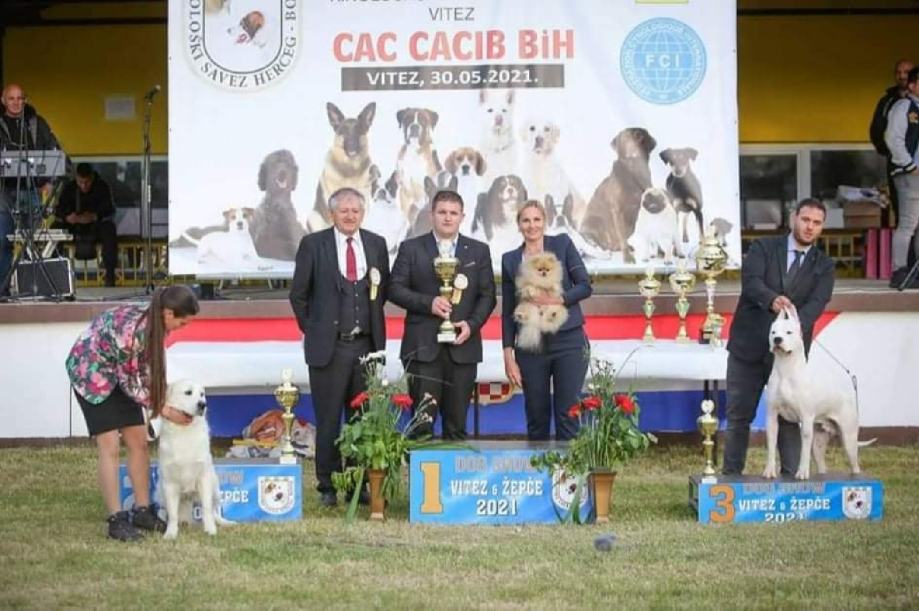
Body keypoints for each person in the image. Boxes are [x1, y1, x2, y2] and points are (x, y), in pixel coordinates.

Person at [65, 285, 199, 541]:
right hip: (91, 373)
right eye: (182, 322)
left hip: (118, 372)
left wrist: (161, 403)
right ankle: (116, 519)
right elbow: (132, 384)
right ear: (168, 313)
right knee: (110, 446)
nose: (182, 327)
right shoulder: (132, 333)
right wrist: (165, 410)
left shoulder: (155, 325)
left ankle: (142, 510)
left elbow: (144, 374)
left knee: (138, 441)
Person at [288, 187, 390, 507]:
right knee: (329, 419)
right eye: (343, 211)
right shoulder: (313, 244)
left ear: (363, 213)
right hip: (329, 349)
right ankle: (328, 486)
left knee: (363, 419)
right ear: (332, 213)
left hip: (366, 347)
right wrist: (315, 330)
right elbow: (298, 295)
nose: (350, 216)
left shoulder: (376, 244)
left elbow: (382, 291)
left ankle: (359, 484)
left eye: (355, 211)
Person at [722, 198, 835, 476]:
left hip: (790, 357)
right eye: (805, 219)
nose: (810, 227)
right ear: (794, 217)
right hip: (748, 347)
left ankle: (791, 481)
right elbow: (751, 283)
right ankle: (731, 478)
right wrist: (772, 299)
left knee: (790, 419)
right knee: (738, 416)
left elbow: (818, 303)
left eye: (817, 223)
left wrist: (792, 324)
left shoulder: (824, 265)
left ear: (822, 227)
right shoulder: (763, 247)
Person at [389, 190, 496, 440]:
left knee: (456, 427)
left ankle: (454, 468)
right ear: (432, 215)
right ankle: (423, 467)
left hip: (463, 347)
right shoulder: (411, 248)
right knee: (421, 425)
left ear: (462, 217)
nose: (448, 218)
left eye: (453, 213)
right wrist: (429, 303)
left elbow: (487, 296)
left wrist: (471, 324)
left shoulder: (478, 250)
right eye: (442, 212)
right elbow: (394, 289)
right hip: (422, 349)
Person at [501, 200, 592, 440]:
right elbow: (508, 311)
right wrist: (508, 355)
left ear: (544, 221)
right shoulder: (510, 259)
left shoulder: (562, 244)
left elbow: (585, 285)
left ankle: (569, 465)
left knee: (567, 415)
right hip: (531, 346)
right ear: (519, 225)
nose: (532, 225)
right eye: (526, 220)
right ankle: (538, 464)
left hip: (569, 343)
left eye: (537, 219)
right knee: (536, 417)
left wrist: (557, 300)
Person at [0, 83, 64, 295]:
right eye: (11, 98)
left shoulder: (36, 123)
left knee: (33, 241)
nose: (16, 102)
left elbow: (54, 151)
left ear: (25, 100)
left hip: (32, 190)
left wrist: (50, 181)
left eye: (20, 98)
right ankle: (2, 289)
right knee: (3, 241)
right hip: (4, 193)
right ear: (3, 101)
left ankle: (32, 287)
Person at [53, 162, 119, 286]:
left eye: (87, 182)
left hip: (95, 226)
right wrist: (67, 217)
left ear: (92, 178)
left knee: (109, 229)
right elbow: (58, 209)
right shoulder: (69, 188)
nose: (84, 186)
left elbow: (110, 208)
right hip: (73, 226)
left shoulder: (102, 187)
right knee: (55, 229)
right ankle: (53, 275)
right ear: (76, 178)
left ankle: (110, 275)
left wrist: (94, 216)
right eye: (81, 182)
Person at [884, 66, 919, 288]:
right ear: (912, 85)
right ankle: (900, 271)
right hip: (910, 174)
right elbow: (892, 138)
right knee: (908, 224)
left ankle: (915, 270)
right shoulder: (904, 106)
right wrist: (909, 165)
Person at [870, 60, 914, 228]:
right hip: (897, 163)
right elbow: (876, 129)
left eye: (906, 72)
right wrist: (887, 151)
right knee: (902, 211)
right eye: (898, 72)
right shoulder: (887, 101)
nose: (902, 76)